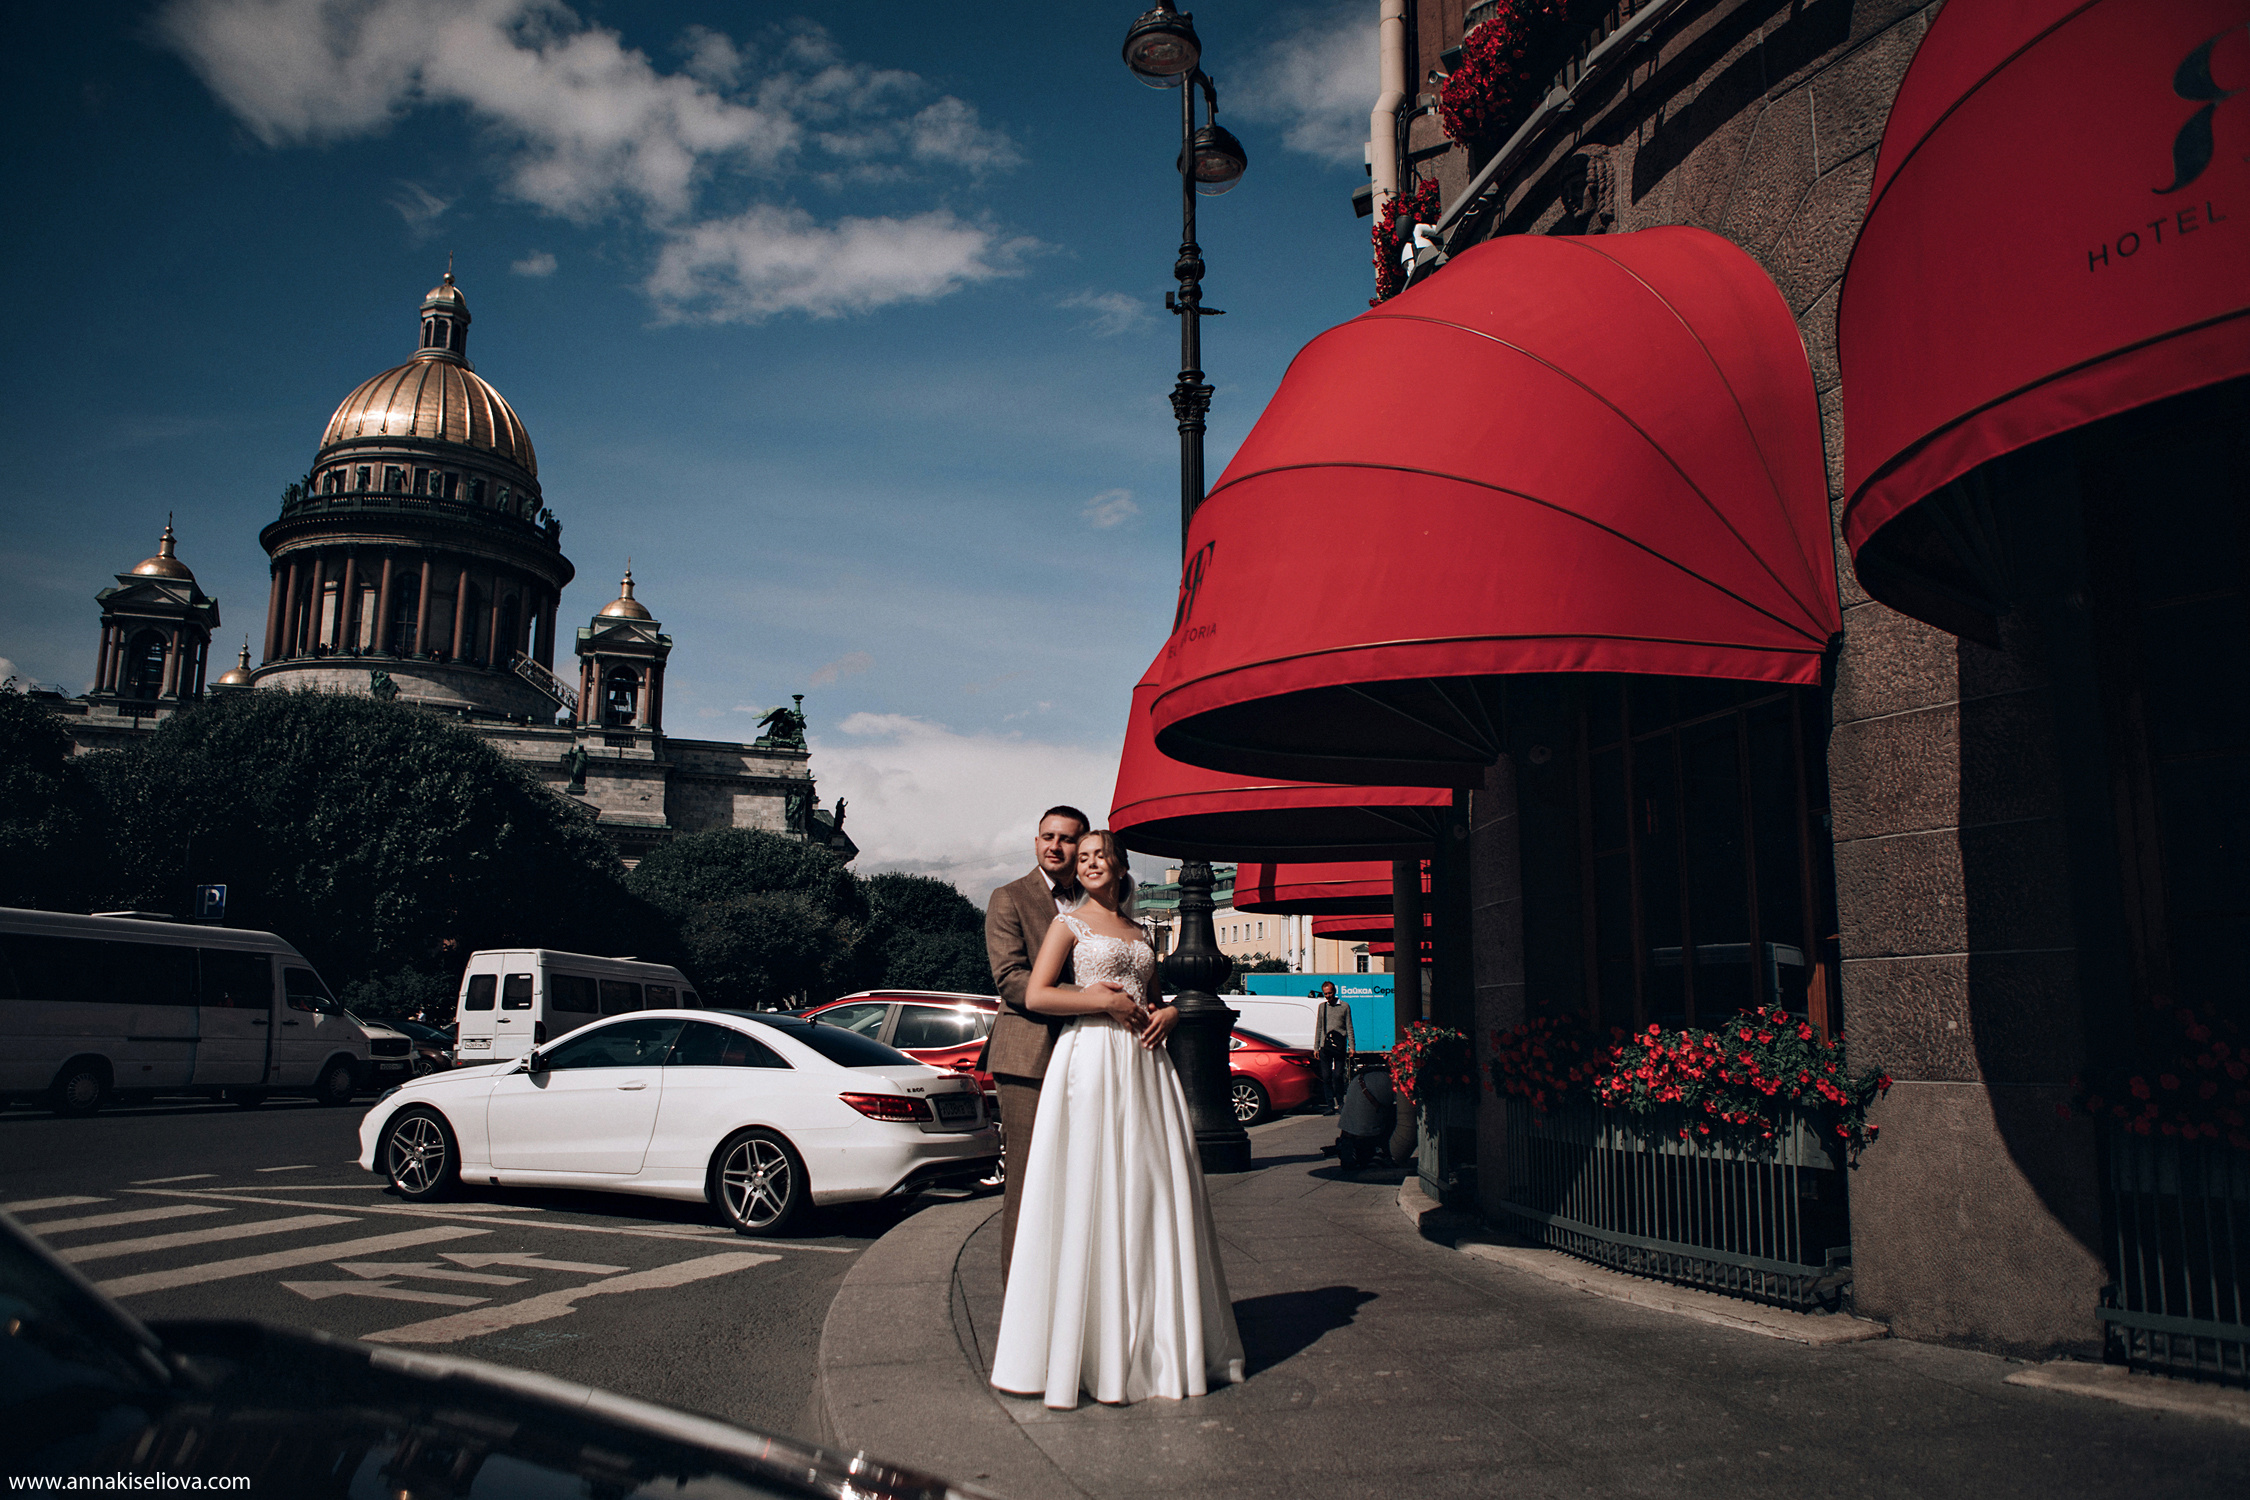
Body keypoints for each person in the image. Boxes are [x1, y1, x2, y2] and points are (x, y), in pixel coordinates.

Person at [989, 830, 1244, 1409]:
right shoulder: (1067, 925)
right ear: (1077, 873)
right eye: (1084, 859)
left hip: (1144, 1066)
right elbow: (1037, 995)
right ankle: (1088, 1346)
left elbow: (1154, 998)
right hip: (1092, 1060)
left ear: (1122, 866)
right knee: (1091, 1187)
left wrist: (1173, 1016)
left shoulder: (1138, 931)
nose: (1092, 863)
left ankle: (1155, 1338)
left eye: (1101, 855)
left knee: (1150, 1188)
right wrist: (1099, 1001)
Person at [983, 807, 1176, 1277]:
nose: (1056, 846)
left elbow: (1143, 986)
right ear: (1035, 843)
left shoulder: (1106, 907)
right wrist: (1094, 1000)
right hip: (1030, 1056)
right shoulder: (1010, 898)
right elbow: (1012, 981)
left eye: (1068, 839)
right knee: (1032, 1186)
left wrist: (1165, 1010)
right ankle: (1022, 1315)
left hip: (1102, 1057)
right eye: (1048, 837)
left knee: (1097, 1182)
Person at [1334, 1064, 1397, 1169]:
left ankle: (1348, 1148)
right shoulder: (1388, 1079)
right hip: (1368, 1136)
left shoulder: (1358, 1078)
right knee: (1399, 1114)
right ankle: (1382, 1152)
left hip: (1347, 1135)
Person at [1314, 981, 1355, 1115]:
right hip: (1325, 1047)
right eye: (1326, 994)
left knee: (1338, 1075)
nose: (1328, 996)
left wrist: (1352, 1047)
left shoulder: (1344, 1006)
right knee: (1326, 1077)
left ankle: (1341, 1103)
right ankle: (1330, 1105)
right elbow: (1319, 1027)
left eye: (1330, 993)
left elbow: (1349, 1027)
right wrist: (1316, 1047)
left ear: (1335, 992)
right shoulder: (1322, 1007)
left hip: (1339, 1045)